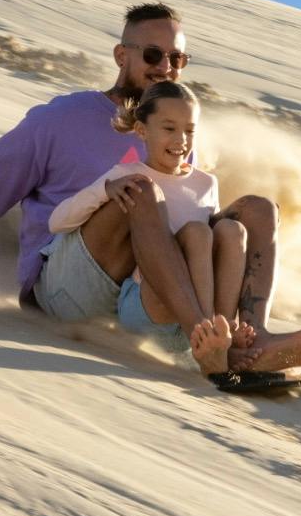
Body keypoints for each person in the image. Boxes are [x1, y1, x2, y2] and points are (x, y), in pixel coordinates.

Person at [0, 2, 301, 378]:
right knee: (140, 191)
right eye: (153, 54)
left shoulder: (173, 133)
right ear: (122, 55)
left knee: (255, 210)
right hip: (65, 286)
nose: (165, 68)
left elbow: (188, 224)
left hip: (141, 288)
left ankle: (248, 339)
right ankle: (208, 340)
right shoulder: (61, 120)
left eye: (176, 58)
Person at [48, 81, 253, 373]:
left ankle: (221, 330)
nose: (181, 139)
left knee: (230, 231)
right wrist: (106, 190)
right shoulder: (128, 175)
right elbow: (57, 222)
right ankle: (208, 336)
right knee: (196, 232)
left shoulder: (207, 184)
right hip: (147, 294)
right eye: (169, 129)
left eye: (190, 130)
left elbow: (209, 252)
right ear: (142, 131)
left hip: (188, 306)